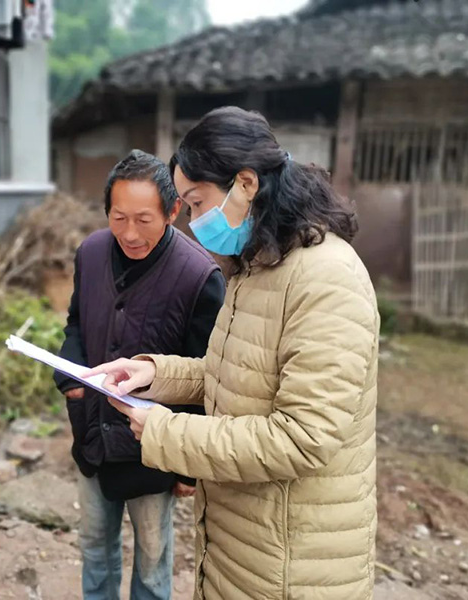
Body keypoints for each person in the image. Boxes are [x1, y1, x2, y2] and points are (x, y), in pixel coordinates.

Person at [86, 107, 379, 600]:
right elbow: (229, 372)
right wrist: (152, 374)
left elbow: (304, 437)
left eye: (198, 203)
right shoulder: (259, 267)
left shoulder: (326, 279)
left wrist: (166, 431)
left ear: (246, 183)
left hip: (293, 561)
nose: (194, 221)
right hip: (243, 538)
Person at [54, 149, 226, 600]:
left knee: (152, 556)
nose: (129, 233)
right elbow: (76, 323)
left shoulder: (199, 275)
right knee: (94, 545)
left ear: (172, 211)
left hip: (153, 449)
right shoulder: (91, 253)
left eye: (144, 220)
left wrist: (188, 467)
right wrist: (71, 381)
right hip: (92, 434)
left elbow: (206, 376)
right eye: (119, 217)